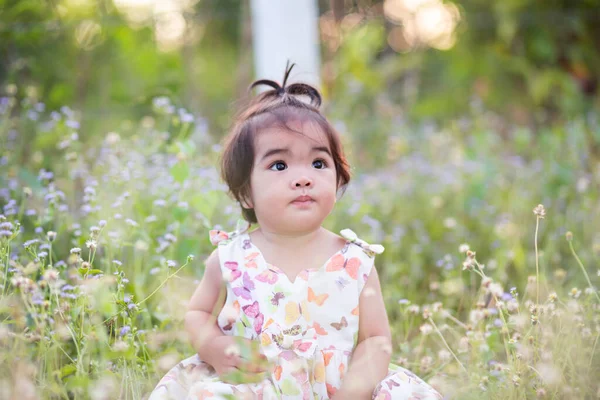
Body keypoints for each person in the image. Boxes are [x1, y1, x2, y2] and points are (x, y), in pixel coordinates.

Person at [148, 64, 442, 400]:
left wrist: (354, 392)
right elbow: (198, 313)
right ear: (245, 192)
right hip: (252, 388)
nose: (303, 178)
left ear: (338, 177)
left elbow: (376, 340)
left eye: (318, 163)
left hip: (340, 390)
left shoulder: (355, 261)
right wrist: (215, 346)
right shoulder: (231, 258)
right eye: (279, 165)